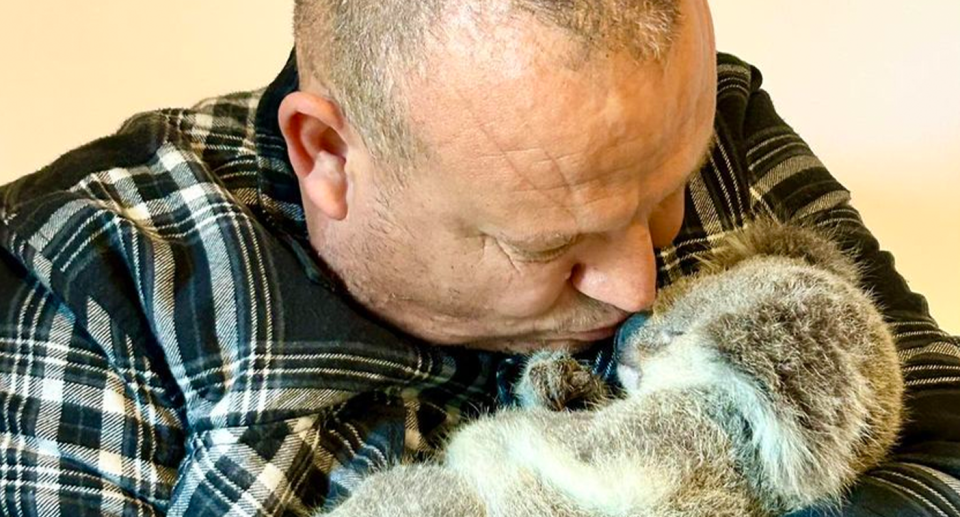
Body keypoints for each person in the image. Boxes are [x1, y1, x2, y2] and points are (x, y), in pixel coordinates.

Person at [0, 0, 956, 515]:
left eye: (665, 197)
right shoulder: (88, 286)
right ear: (327, 157)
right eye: (553, 244)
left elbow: (944, 445)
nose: (639, 285)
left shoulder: (705, 122)